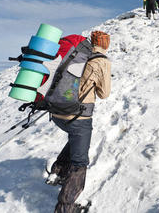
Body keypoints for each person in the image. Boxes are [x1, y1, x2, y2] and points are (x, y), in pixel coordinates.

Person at [48, 31, 111, 213]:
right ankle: (65, 208)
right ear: (105, 44)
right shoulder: (101, 60)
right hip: (78, 117)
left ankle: (58, 172)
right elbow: (104, 93)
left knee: (74, 139)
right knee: (79, 162)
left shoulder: (76, 53)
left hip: (57, 112)